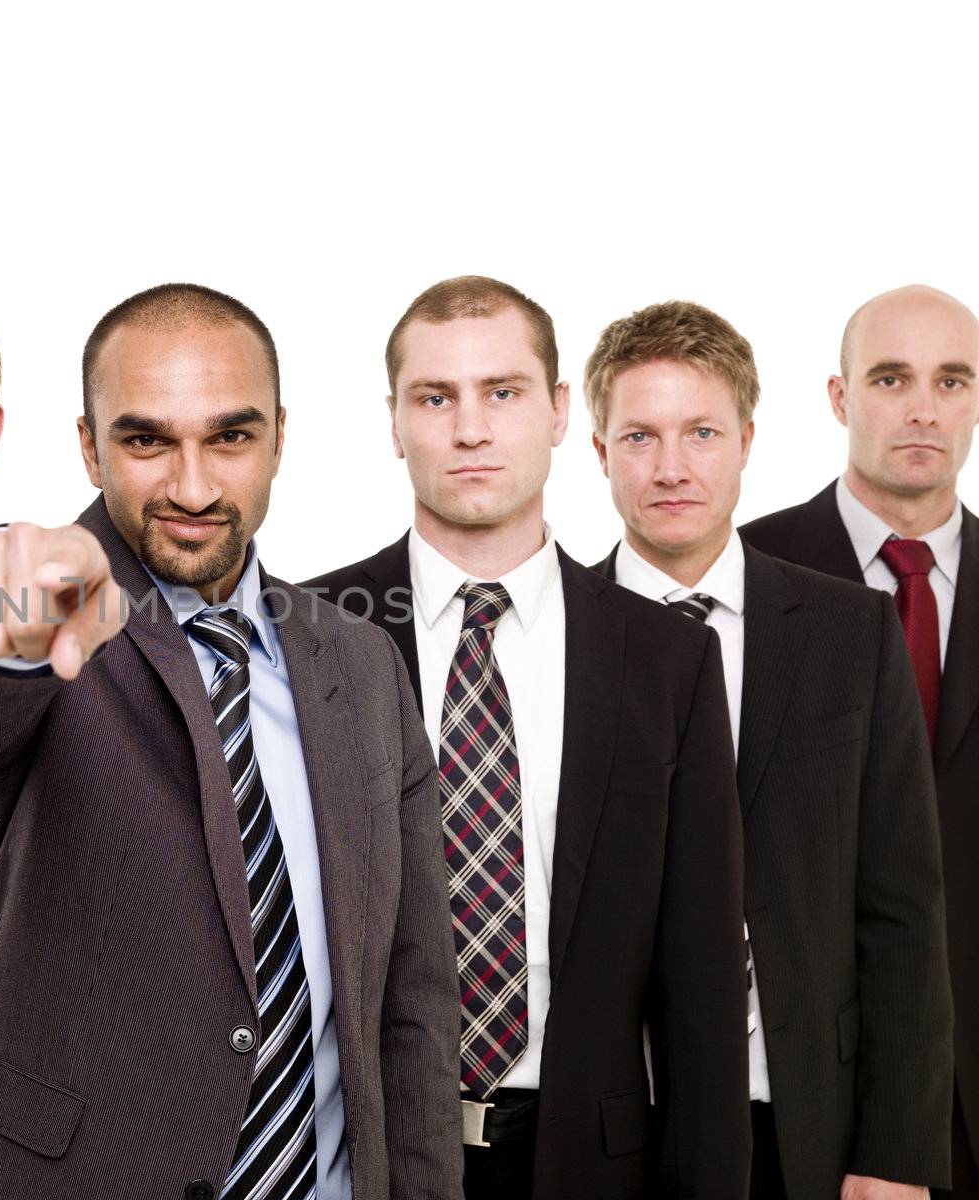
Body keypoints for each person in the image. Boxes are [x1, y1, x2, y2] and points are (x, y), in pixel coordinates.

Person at [0, 283, 464, 1200]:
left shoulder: (363, 663)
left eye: (230, 436)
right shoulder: (57, 599)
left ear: (279, 438)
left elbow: (412, 999)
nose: (191, 486)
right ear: (88, 447)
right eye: (146, 440)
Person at [306, 276, 749, 1199]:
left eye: (501, 393)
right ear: (394, 422)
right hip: (364, 1153)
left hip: (591, 1160)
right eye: (436, 398)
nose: (471, 429)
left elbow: (701, 986)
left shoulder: (666, 657)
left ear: (554, 413)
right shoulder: (308, 631)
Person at [588, 299, 953, 1199]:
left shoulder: (850, 633)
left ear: (749, 439)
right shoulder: (553, 635)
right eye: (639, 437)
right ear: (597, 451)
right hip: (604, 1123)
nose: (672, 468)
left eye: (702, 432)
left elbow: (902, 908)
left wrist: (899, 1153)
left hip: (801, 1120)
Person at [742, 284, 979, 1200]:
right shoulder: (746, 572)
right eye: (891, 378)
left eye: (952, 380)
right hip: (801, 1092)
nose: (923, 408)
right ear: (840, 398)